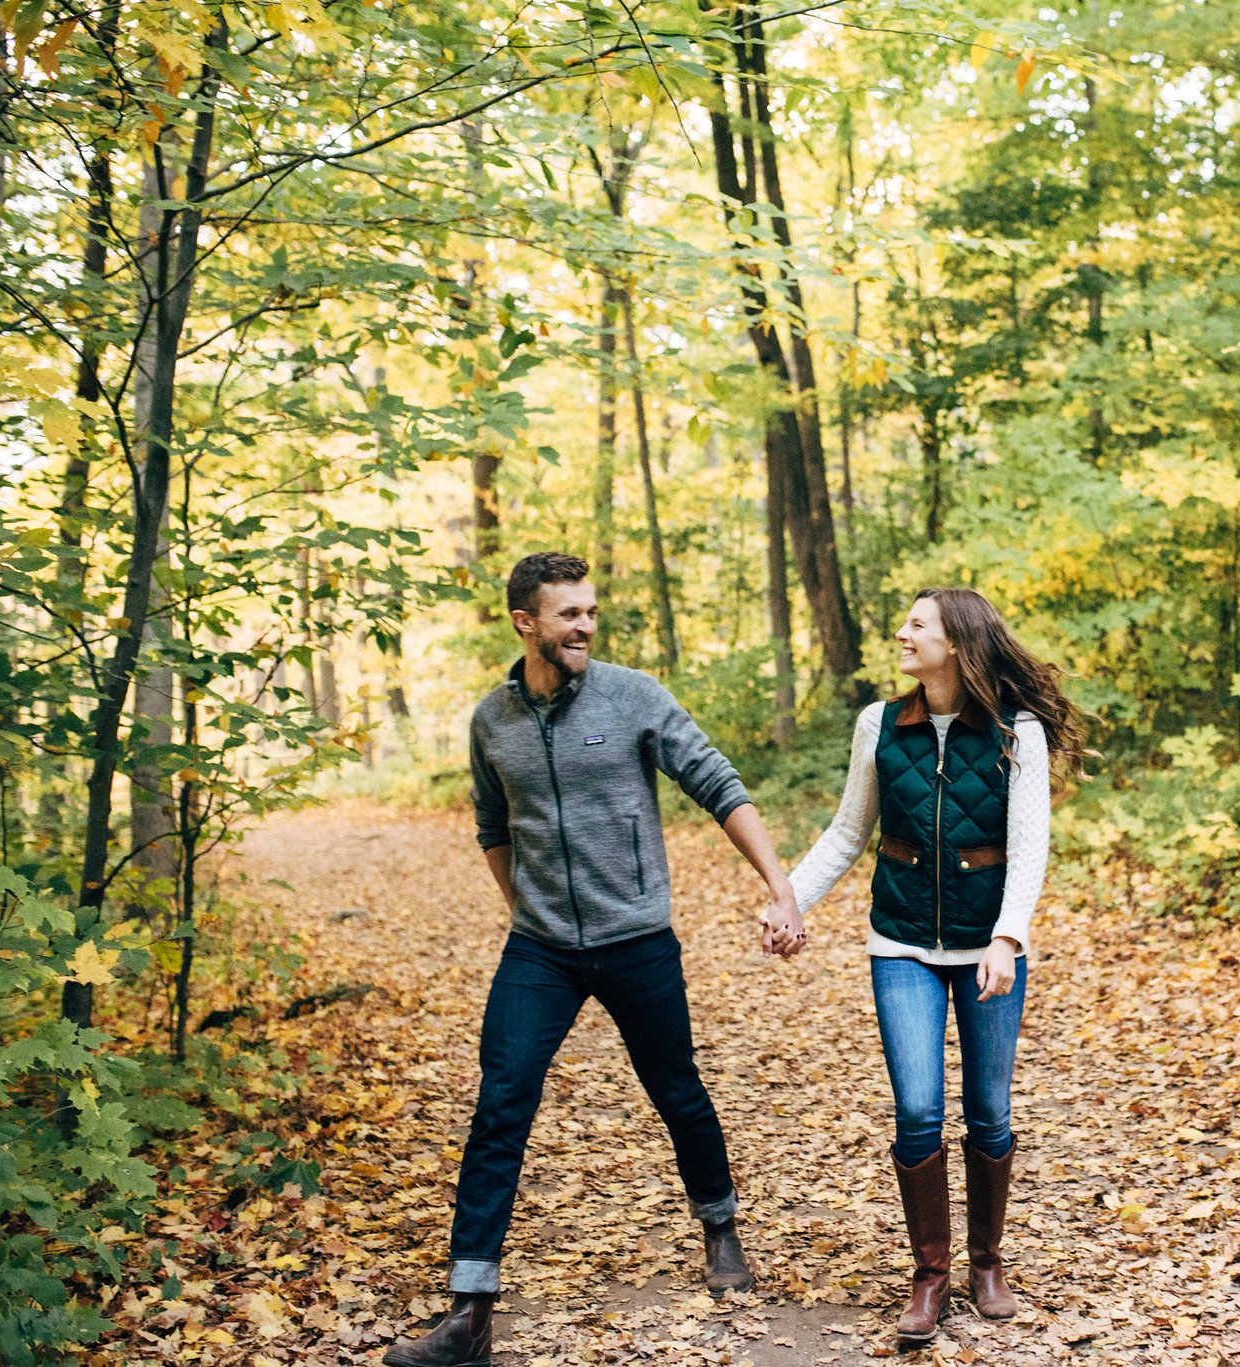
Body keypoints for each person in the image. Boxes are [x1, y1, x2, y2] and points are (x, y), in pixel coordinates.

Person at [385, 551, 805, 1367]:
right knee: (501, 1101)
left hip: (637, 940)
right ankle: (469, 1313)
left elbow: (719, 785)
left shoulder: (634, 696)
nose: (584, 625)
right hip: (539, 949)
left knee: (676, 1087)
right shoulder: (491, 721)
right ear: (525, 623)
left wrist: (780, 886)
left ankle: (719, 1222)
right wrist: (525, 912)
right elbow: (491, 828)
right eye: (568, 613)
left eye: (589, 611)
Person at [785, 587, 1088, 1343]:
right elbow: (848, 831)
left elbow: (1030, 846)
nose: (901, 632)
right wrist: (787, 898)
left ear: (955, 642)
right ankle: (931, 1274)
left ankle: (987, 1261)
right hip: (901, 943)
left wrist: (1008, 937)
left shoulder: (1018, 730)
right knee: (917, 1107)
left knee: (989, 1107)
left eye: (916, 624)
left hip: (989, 948)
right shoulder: (879, 724)